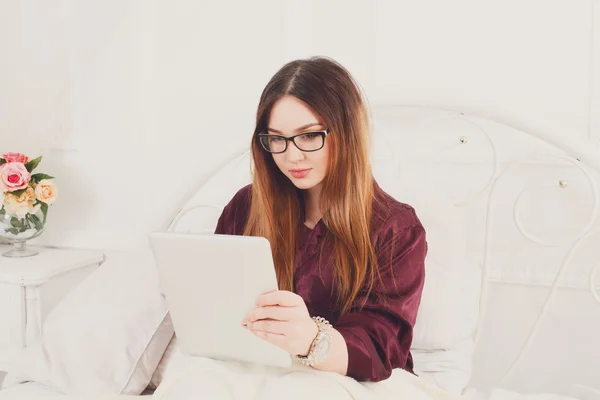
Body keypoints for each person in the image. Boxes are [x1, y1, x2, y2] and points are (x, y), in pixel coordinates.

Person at [214, 56, 427, 383]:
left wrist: (312, 339)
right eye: (276, 139)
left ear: (346, 132)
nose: (291, 155)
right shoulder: (246, 206)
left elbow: (383, 348)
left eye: (310, 136)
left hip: (354, 382)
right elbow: (218, 305)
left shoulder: (396, 228)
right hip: (255, 371)